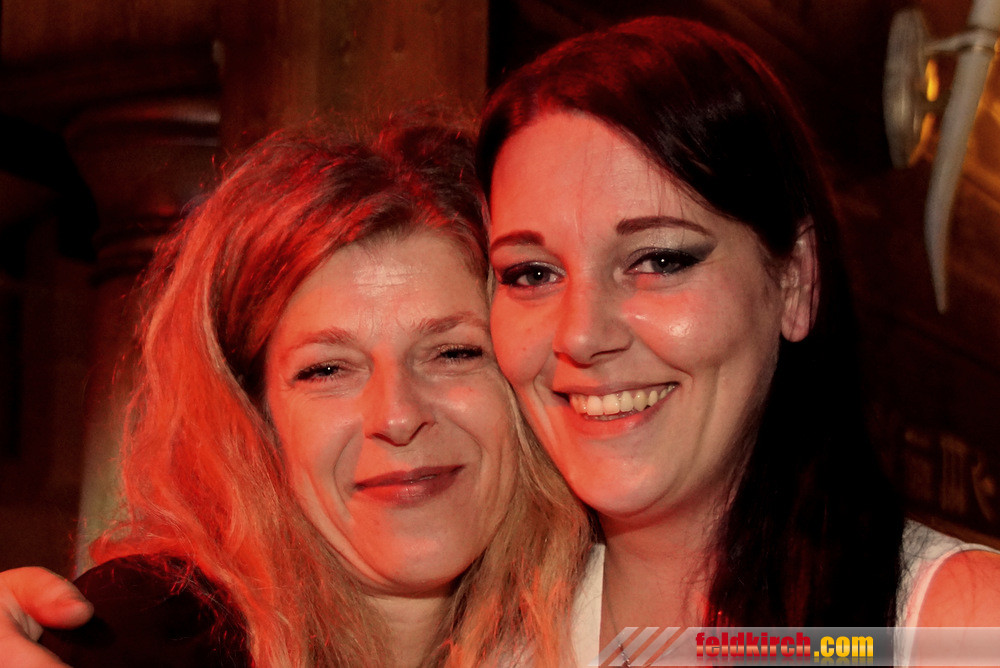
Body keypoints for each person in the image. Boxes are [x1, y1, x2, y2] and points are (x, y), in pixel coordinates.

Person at [475, 15, 1000, 665]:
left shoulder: (959, 631)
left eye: (659, 260)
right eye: (532, 273)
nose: (580, 335)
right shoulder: (490, 646)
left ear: (795, 281)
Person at [3, 114, 589, 667]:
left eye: (454, 353)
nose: (398, 415)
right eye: (327, 370)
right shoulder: (149, 637)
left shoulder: (597, 624)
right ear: (253, 414)